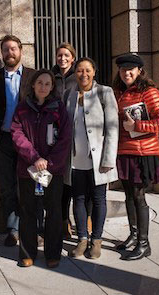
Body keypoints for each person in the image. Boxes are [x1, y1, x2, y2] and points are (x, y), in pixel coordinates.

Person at [11, 69, 71, 268]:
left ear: (52, 87)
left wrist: (49, 163)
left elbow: (64, 138)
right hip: (28, 169)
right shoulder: (22, 108)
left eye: (47, 84)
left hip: (53, 171)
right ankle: (27, 253)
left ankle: (53, 253)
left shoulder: (58, 108)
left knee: (53, 212)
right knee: (27, 212)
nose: (43, 87)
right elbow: (17, 135)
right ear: (33, 85)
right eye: (40, 83)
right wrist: (35, 158)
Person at [112, 54, 159, 260]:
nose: (126, 73)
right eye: (122, 69)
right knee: (128, 196)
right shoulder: (118, 92)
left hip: (143, 152)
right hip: (124, 151)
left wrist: (136, 126)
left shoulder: (149, 92)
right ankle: (134, 235)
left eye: (130, 69)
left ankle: (144, 244)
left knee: (138, 196)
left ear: (139, 71)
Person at [0, 35, 36, 247]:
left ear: (20, 51)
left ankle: (30, 227)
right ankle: (13, 229)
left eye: (13, 49)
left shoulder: (33, 76)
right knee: (7, 187)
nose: (9, 53)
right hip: (3, 141)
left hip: (27, 141)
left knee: (29, 186)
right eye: (6, 50)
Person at [63, 57, 119, 259]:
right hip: (75, 159)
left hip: (98, 161)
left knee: (98, 199)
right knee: (78, 199)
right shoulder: (68, 94)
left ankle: (96, 240)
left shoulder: (105, 92)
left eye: (87, 70)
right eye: (79, 70)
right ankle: (82, 239)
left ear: (94, 72)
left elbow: (113, 128)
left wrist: (108, 159)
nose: (83, 74)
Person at [51, 42, 78, 239]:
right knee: (60, 182)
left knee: (75, 180)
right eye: (60, 55)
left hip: (77, 133)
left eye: (66, 55)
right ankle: (63, 221)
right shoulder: (51, 77)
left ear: (72, 58)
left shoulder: (79, 76)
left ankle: (84, 220)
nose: (62, 58)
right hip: (56, 134)